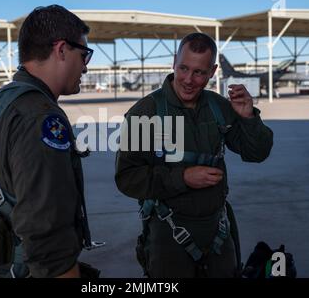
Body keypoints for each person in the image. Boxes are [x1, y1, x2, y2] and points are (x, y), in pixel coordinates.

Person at [115, 32, 273, 278]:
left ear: (213, 71)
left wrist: (248, 117)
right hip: (168, 232)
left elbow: (257, 153)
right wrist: (183, 178)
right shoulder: (145, 113)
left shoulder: (219, 107)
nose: (188, 80)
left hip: (217, 229)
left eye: (199, 72)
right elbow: (127, 178)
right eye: (183, 68)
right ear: (173, 63)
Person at [0, 5, 95, 278]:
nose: (85, 65)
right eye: (83, 55)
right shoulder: (40, 118)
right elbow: (44, 225)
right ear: (61, 50)